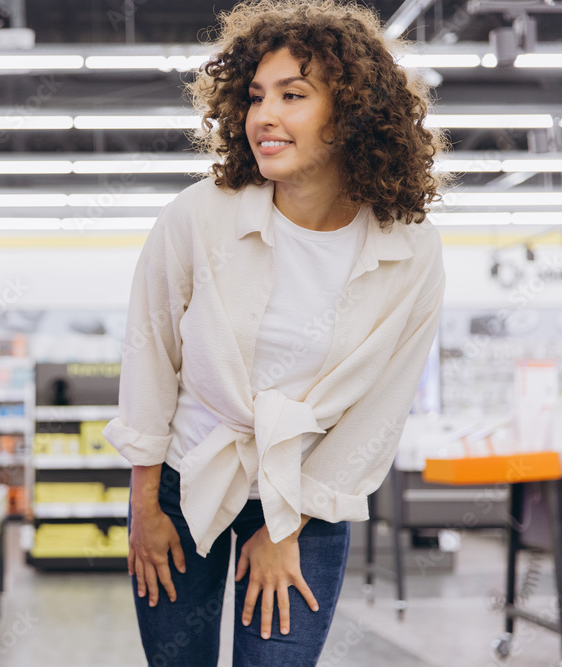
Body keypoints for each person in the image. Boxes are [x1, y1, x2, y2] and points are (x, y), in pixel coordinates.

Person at [101, 0, 449, 664]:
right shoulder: (201, 217)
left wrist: (288, 527)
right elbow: (151, 359)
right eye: (256, 96)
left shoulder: (409, 250)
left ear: (351, 112)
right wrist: (143, 506)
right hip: (184, 480)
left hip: (309, 494)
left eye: (294, 95)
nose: (264, 115)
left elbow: (378, 413)